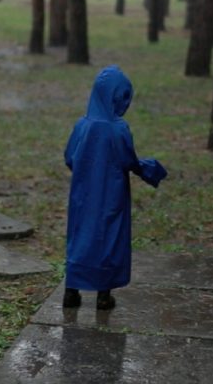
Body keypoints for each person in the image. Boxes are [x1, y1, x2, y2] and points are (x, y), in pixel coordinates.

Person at [63, 65, 167, 310]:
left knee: (80, 236)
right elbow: (127, 160)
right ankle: (103, 295)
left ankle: (71, 291)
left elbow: (70, 157)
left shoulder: (82, 125)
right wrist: (148, 169)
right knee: (108, 238)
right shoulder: (118, 129)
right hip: (111, 195)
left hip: (83, 194)